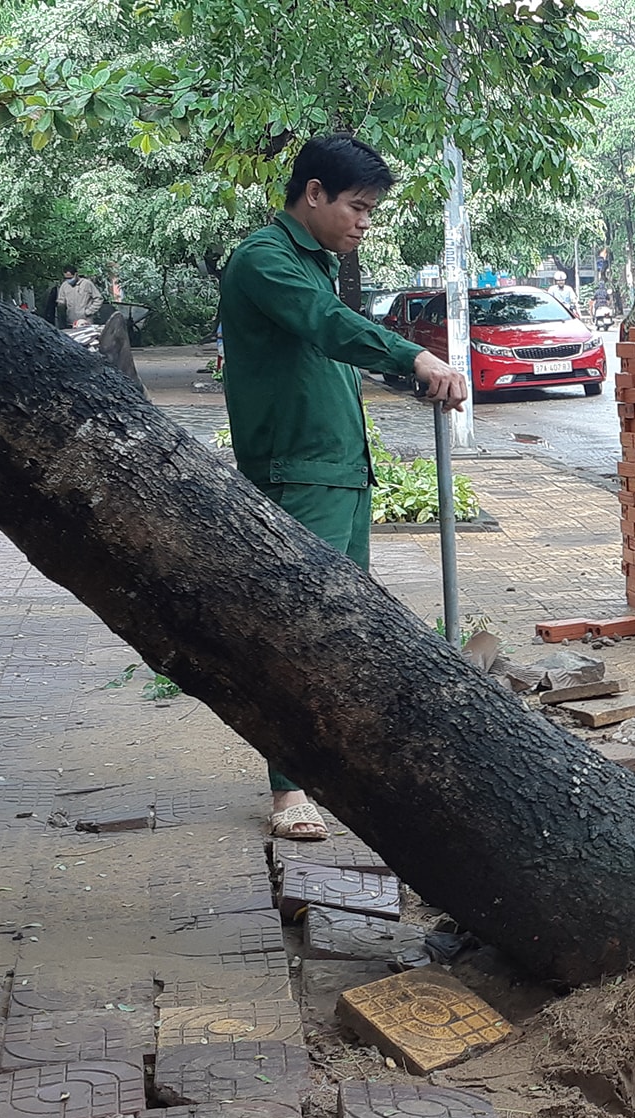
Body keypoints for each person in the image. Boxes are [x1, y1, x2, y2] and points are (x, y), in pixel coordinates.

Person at [219, 134, 468, 842]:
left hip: (339, 473)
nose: (364, 222)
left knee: (345, 635)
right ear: (315, 192)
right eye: (357, 206)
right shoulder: (266, 259)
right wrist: (416, 353)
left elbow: (324, 351)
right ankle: (288, 789)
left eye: (372, 211)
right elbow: (328, 327)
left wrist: (409, 376)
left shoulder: (311, 262)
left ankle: (336, 769)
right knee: (301, 633)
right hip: (297, 474)